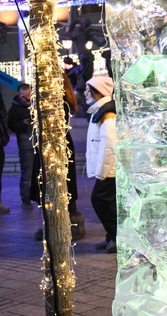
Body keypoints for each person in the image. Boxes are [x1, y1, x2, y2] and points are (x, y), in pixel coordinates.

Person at [31, 73, 84, 241]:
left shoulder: (57, 97)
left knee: (58, 184)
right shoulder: (62, 95)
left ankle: (61, 224)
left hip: (54, 143)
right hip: (52, 143)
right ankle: (56, 223)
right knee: (56, 184)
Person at [85, 75, 117, 253]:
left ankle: (116, 236)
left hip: (110, 169)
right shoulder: (99, 111)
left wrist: (102, 171)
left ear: (98, 93)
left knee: (100, 200)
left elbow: (109, 145)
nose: (85, 94)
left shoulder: (107, 114)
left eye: (89, 90)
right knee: (105, 201)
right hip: (107, 168)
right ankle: (111, 236)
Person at [8, 83, 34, 209]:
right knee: (27, 172)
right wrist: (23, 123)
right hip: (26, 143)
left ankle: (38, 197)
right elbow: (12, 126)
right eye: (25, 95)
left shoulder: (35, 104)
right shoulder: (15, 108)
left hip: (39, 143)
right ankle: (25, 199)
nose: (28, 97)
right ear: (19, 94)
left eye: (29, 94)